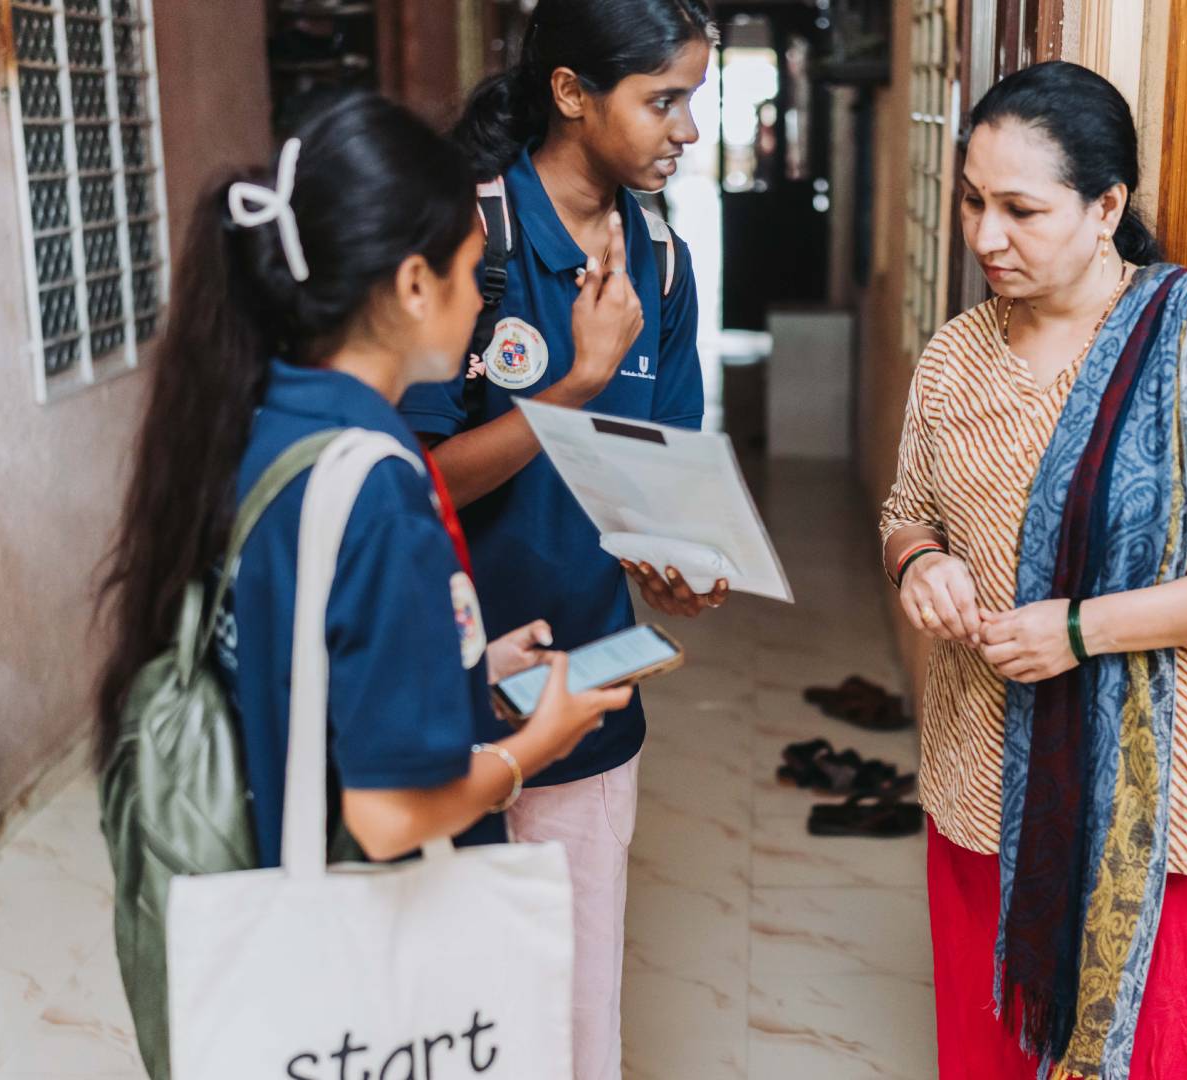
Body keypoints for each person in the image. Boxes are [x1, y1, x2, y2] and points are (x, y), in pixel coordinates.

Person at [95, 91, 627, 875]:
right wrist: (533, 747)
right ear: (415, 285)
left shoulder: (262, 417)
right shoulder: (379, 490)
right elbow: (389, 817)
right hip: (367, 923)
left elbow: (312, 647)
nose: (481, 306)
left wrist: (463, 665)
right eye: (474, 276)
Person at [878, 62, 1187, 1080]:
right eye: (973, 201)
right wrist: (920, 563)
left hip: (1154, 821)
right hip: (983, 793)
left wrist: (1079, 630)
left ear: (1108, 206)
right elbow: (906, 512)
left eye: (1020, 209)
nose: (984, 236)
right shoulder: (957, 354)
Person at [397, 3, 719, 1076]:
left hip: (586, 690)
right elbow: (411, 479)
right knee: (450, 1002)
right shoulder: (463, 237)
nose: (686, 128)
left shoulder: (662, 264)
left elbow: (649, 476)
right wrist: (573, 387)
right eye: (662, 99)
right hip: (445, 692)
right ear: (574, 94)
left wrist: (672, 559)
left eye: (693, 101)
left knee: (577, 1005)